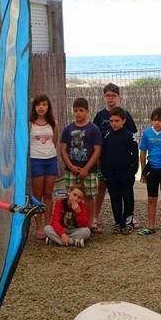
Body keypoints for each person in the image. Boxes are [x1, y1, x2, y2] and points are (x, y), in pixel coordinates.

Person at [93, 83, 137, 226]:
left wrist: (133, 168)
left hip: (123, 165)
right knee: (102, 189)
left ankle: (128, 218)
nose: (110, 98)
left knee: (126, 193)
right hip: (104, 160)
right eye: (108, 95)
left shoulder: (126, 115)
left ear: (118, 97)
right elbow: (94, 136)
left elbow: (132, 139)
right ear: (104, 97)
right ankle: (96, 217)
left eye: (113, 95)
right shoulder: (100, 115)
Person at [59, 97, 103, 232]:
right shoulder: (68, 129)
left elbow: (97, 150)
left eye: (81, 110)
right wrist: (71, 166)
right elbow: (63, 149)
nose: (78, 113)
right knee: (70, 195)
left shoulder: (93, 129)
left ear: (87, 111)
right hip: (71, 170)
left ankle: (90, 223)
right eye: (75, 110)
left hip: (89, 170)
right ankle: (70, 222)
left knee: (89, 196)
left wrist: (86, 168)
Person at [100, 107, 139, 234]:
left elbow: (135, 154)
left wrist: (133, 170)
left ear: (123, 121)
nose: (114, 123)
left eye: (117, 121)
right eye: (111, 121)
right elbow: (103, 155)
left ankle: (127, 222)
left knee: (127, 198)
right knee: (114, 198)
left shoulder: (129, 136)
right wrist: (104, 172)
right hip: (111, 175)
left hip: (126, 174)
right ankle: (118, 222)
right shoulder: (106, 136)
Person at [138, 107, 161, 236]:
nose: (156, 123)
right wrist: (143, 172)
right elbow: (142, 153)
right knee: (151, 198)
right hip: (152, 169)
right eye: (154, 120)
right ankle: (151, 226)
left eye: (159, 120)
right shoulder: (147, 133)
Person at [28, 94, 58, 240]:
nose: (41, 107)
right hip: (35, 160)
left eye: (44, 104)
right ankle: (39, 227)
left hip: (51, 159)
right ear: (34, 107)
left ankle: (48, 224)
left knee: (48, 193)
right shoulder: (30, 123)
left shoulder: (53, 123)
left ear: (48, 106)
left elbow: (55, 140)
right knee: (37, 195)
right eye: (38, 104)